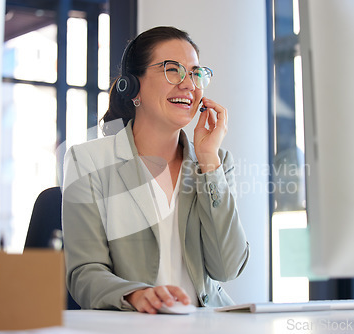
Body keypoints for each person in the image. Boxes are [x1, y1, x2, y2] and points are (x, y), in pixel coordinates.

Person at [62, 26, 249, 314]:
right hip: (133, 325)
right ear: (133, 86)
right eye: (173, 70)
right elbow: (84, 273)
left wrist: (208, 161)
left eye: (196, 73)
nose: (189, 85)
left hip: (206, 324)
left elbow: (228, 267)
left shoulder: (216, 162)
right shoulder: (88, 161)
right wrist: (135, 295)